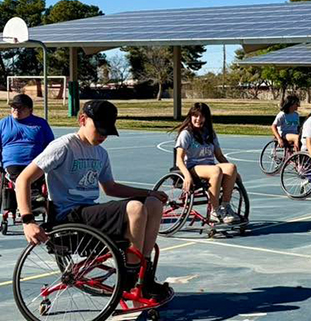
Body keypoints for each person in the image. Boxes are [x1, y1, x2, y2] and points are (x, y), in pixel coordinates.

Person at [16, 100, 171, 299]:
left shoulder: (100, 153)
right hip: (68, 217)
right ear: (82, 120)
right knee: (135, 209)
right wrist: (28, 221)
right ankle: (130, 278)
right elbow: (23, 180)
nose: (103, 136)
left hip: (90, 214)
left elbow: (111, 188)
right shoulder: (64, 146)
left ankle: (144, 274)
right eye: (99, 130)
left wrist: (148, 193)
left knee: (153, 204)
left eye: (107, 132)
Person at [174, 102, 241, 225]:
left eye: (202, 116)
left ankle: (225, 207)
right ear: (191, 116)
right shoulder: (186, 133)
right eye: (196, 116)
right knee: (216, 171)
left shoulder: (210, 133)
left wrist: (235, 173)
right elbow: (179, 159)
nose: (199, 119)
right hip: (193, 167)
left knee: (231, 167)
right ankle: (215, 211)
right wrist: (187, 177)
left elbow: (219, 156)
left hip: (209, 166)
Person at [0, 94, 54, 213]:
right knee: (17, 173)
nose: (16, 110)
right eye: (14, 107)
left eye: (21, 107)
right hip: (13, 163)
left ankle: (35, 198)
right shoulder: (3, 124)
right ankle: (33, 196)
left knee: (41, 174)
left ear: (30, 109)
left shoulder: (41, 124)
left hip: (36, 163)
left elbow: (51, 145)